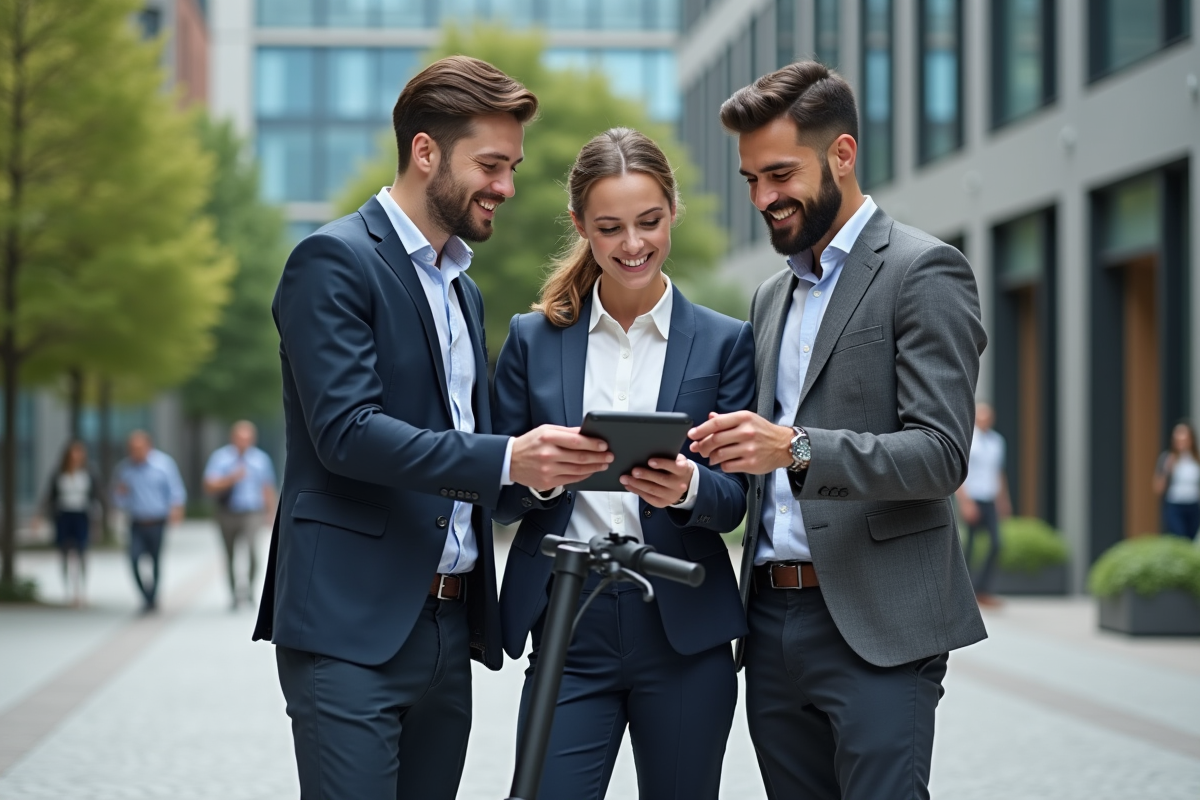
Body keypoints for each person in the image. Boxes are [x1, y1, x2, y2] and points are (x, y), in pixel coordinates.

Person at [252, 56, 612, 800]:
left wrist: (547, 473)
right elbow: (348, 434)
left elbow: (469, 459)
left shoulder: (464, 291)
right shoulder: (332, 261)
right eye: (491, 164)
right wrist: (509, 457)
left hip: (450, 627)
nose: (507, 187)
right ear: (425, 152)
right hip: (350, 629)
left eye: (511, 166)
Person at [687, 61, 987, 800]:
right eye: (752, 178)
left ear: (843, 155)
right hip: (770, 621)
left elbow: (942, 455)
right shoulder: (769, 296)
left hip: (880, 627)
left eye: (780, 173)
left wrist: (793, 447)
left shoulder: (924, 271)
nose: (764, 197)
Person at [493, 128, 756, 800]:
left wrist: (690, 486)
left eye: (649, 222)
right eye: (609, 227)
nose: (632, 244)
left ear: (673, 212)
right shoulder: (532, 340)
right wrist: (537, 472)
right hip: (568, 619)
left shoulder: (726, 343)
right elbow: (495, 491)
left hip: (683, 629)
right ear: (581, 225)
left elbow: (737, 498)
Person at [203, 420, 277, 609]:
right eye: (240, 438)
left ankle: (250, 590)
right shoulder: (220, 458)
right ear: (233, 438)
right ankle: (234, 594)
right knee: (230, 554)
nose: (244, 442)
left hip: (253, 512)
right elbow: (209, 485)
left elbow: (267, 488)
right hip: (227, 512)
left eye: (248, 439)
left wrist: (271, 513)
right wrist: (231, 478)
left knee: (253, 551)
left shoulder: (261, 459)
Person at [112, 431, 186, 612]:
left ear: (148, 447)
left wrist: (176, 511)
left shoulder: (163, 465)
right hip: (136, 522)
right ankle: (146, 595)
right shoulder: (125, 469)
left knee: (155, 560)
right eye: (132, 449)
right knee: (133, 559)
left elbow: (175, 490)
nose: (136, 452)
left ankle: (152, 598)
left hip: (157, 521)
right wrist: (120, 495)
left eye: (139, 448)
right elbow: (118, 498)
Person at [956, 402, 1012, 607]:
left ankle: (983, 589)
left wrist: (1003, 500)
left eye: (988, 416)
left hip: (989, 497)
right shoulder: (968, 440)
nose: (984, 420)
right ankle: (965, 591)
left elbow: (998, 473)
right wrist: (965, 502)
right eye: (981, 416)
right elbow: (960, 472)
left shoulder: (998, 441)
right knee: (969, 545)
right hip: (973, 497)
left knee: (996, 543)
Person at [41, 440, 101, 607]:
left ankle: (81, 590)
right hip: (64, 515)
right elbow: (50, 495)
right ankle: (67, 590)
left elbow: (96, 495)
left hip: (82, 514)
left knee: (82, 551)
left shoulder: (89, 473)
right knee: (64, 552)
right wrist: (41, 515)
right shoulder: (59, 473)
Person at [1154, 420, 1200, 540]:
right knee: (1179, 537)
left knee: (1190, 539)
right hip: (1175, 505)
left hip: (1193, 505)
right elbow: (1158, 488)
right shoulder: (1168, 458)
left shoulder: (1196, 459)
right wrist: (1167, 470)